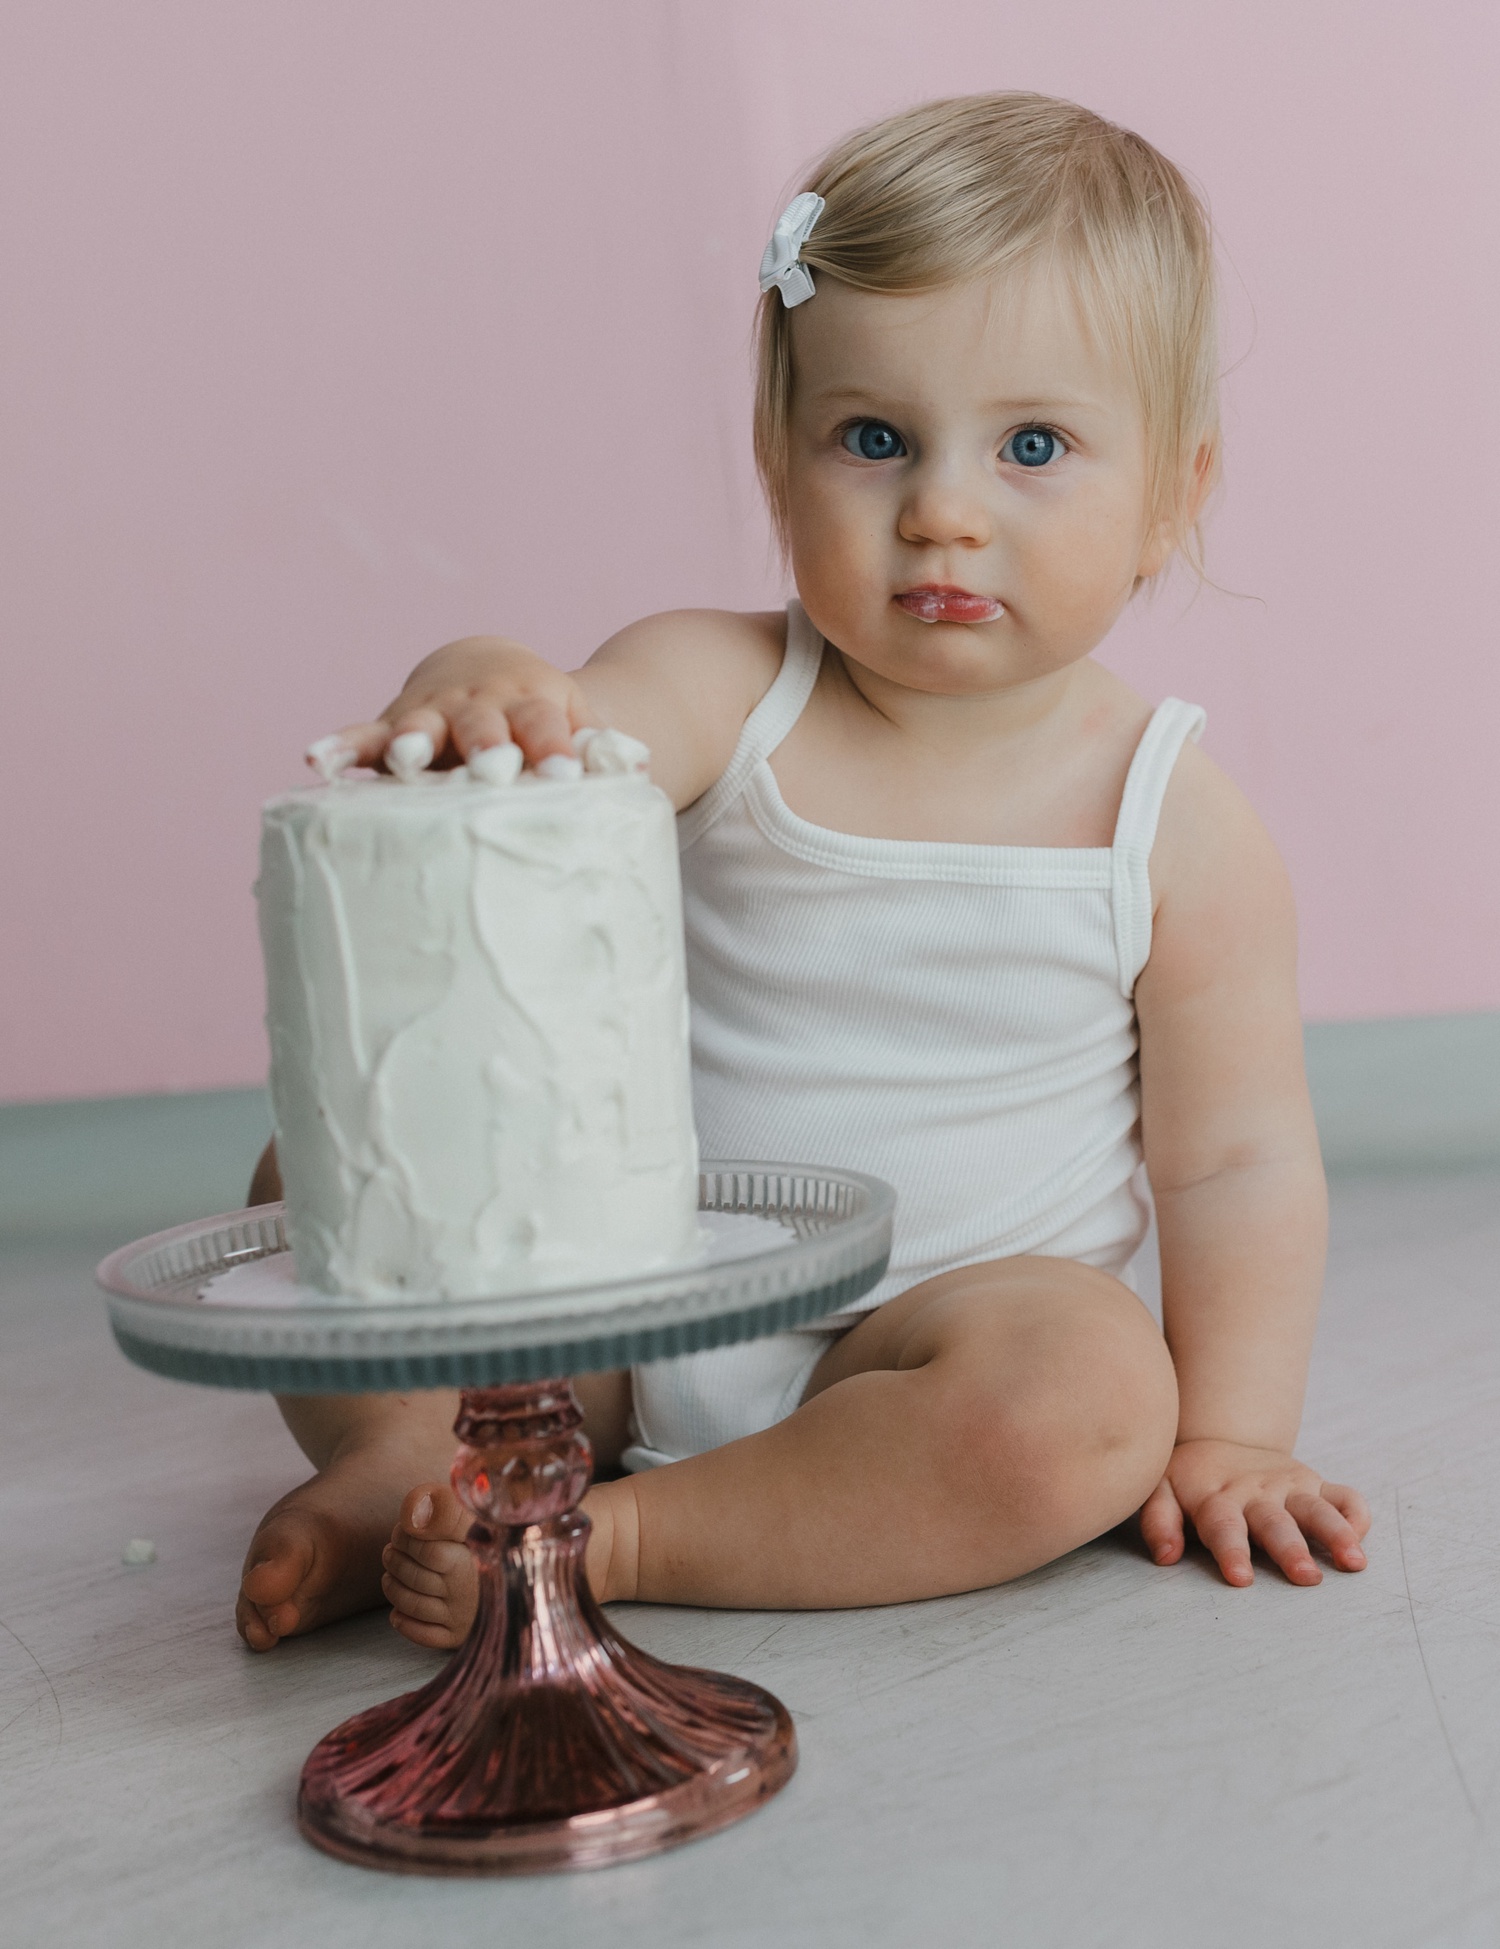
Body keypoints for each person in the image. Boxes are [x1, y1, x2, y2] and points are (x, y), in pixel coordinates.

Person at [237, 91, 1369, 1656]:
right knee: (324, 1170)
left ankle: (613, 1533)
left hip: (924, 1341)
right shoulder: (724, 688)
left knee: (1092, 1397)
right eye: (874, 439)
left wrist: (1233, 1431)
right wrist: (479, 672)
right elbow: (558, 741)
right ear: (780, 463)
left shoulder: (1171, 818)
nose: (944, 512)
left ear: (1174, 493)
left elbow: (1235, 1163)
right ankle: (405, 1472)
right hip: (628, 1296)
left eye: (1032, 445)